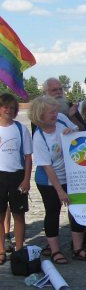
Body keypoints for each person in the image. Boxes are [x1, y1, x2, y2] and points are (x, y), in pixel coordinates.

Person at [30, 96, 86, 264]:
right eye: (51, 113)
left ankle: (78, 248)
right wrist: (60, 191)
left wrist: (72, 132)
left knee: (76, 209)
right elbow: (47, 167)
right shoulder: (39, 137)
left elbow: (79, 131)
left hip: (70, 175)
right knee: (53, 212)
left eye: (56, 111)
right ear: (41, 115)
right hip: (49, 181)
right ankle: (55, 250)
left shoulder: (61, 121)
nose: (55, 115)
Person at [0, 94, 32, 263]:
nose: (8, 110)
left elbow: (28, 157)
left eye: (12, 108)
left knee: (19, 213)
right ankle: (1, 250)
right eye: (5, 107)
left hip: (17, 175)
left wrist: (26, 179)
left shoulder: (21, 129)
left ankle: (19, 248)